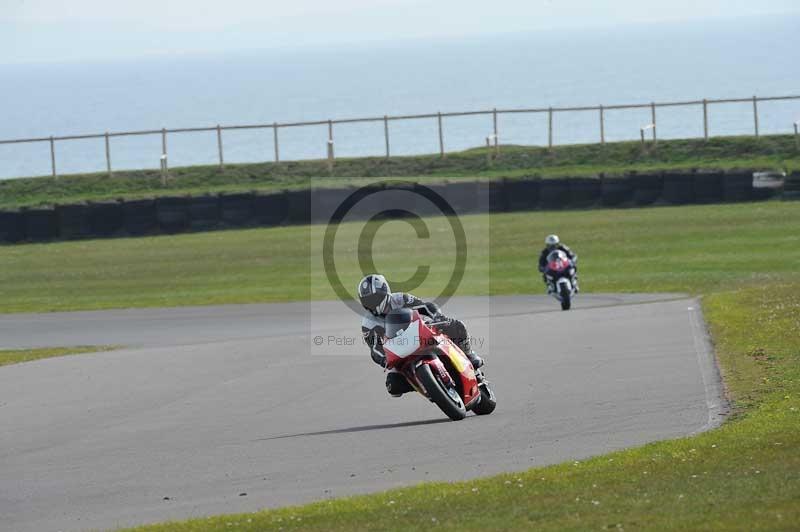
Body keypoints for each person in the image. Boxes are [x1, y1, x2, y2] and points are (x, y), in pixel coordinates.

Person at [358, 274, 484, 397]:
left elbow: (425, 306)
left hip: (419, 333)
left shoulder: (400, 299)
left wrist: (438, 316)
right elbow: (374, 348)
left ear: (385, 292)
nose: (372, 303)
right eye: (368, 300)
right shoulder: (367, 323)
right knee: (393, 386)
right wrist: (383, 359)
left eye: (374, 298)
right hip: (399, 350)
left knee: (456, 326)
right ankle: (426, 385)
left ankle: (469, 354)